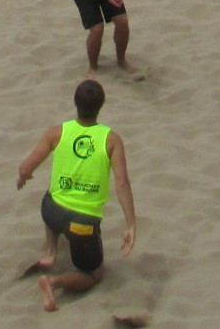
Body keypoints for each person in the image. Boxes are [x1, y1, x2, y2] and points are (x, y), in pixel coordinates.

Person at [15, 79, 138, 313]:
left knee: (50, 196)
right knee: (94, 275)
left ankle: (50, 252)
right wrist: (131, 224)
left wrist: (23, 178)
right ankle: (53, 283)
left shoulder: (57, 132)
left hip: (52, 212)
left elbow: (26, 167)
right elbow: (122, 183)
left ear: (76, 104)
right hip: (82, 224)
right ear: (100, 106)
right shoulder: (111, 140)